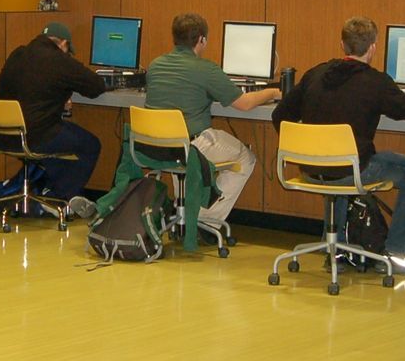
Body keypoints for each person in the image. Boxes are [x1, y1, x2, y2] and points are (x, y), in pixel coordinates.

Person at [271, 17, 405, 270]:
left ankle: (336, 252)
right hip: (351, 171)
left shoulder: (315, 73)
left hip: (309, 168)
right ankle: (398, 253)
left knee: (338, 167)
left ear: (342, 45)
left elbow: (279, 117)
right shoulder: (376, 82)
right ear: (373, 48)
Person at [82, 13, 282, 232]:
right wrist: (273, 91)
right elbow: (244, 103)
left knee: (183, 156)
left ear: (174, 38)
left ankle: (185, 216)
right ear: (202, 40)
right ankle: (202, 220)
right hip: (190, 148)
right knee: (246, 157)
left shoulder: (156, 65)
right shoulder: (206, 69)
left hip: (153, 148)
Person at [0, 20, 105, 207]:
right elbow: (96, 86)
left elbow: (30, 93)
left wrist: (59, 101)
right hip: (34, 136)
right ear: (63, 44)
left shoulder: (17, 53)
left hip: (0, 133)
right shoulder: (59, 60)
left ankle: (44, 192)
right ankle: (58, 199)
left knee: (55, 139)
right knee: (90, 145)